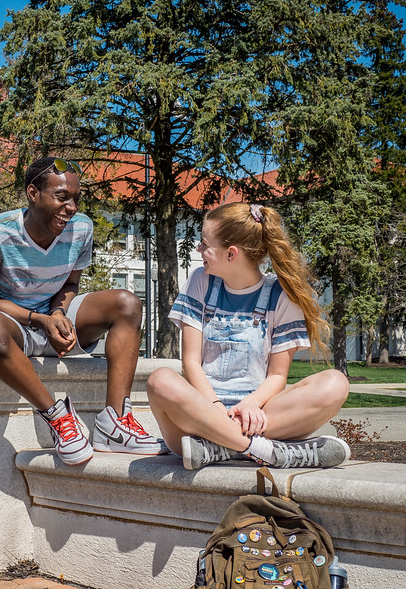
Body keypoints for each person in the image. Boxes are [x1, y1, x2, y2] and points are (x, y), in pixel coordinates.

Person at [0, 156, 168, 465]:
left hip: (54, 317)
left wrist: (58, 315)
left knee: (127, 303)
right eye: (61, 197)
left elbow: (71, 284)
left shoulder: (81, 228)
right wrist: (40, 320)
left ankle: (115, 424)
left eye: (75, 198)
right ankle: (58, 418)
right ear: (33, 193)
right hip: (13, 327)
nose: (71, 207)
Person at [146, 201, 351, 470]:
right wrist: (215, 408)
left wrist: (251, 404)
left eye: (205, 244)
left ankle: (220, 447)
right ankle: (266, 451)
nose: (199, 250)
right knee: (160, 380)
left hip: (258, 416)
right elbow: (190, 364)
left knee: (336, 383)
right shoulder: (200, 281)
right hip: (199, 416)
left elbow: (277, 376)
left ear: (231, 254)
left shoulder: (281, 296)